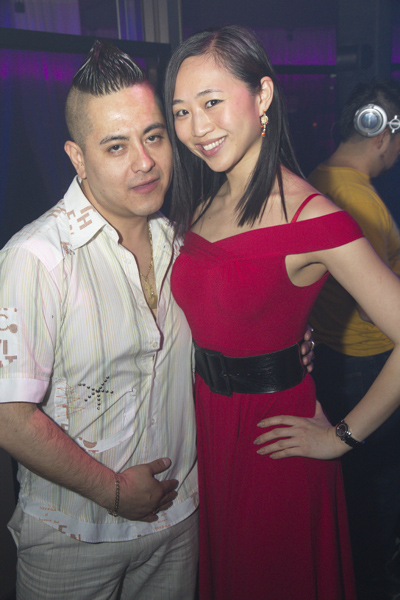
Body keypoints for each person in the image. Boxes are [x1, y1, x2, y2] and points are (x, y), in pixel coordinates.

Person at [163, 25, 400, 600]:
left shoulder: (314, 218)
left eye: (211, 102)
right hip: (206, 430)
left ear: (263, 95)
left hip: (272, 441)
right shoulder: (201, 203)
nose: (196, 127)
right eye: (181, 111)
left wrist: (341, 437)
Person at [0, 40, 200, 600]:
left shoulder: (185, 245)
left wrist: (287, 346)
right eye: (116, 146)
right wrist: (112, 491)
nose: (145, 161)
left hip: (179, 520)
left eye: (153, 136)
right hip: (74, 535)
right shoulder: (36, 258)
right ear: (78, 157)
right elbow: (8, 416)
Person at [309, 80, 400, 598]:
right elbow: (374, 304)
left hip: (333, 359)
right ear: (382, 134)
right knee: (378, 491)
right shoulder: (356, 198)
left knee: (355, 490)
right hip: (371, 364)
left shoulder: (317, 179)